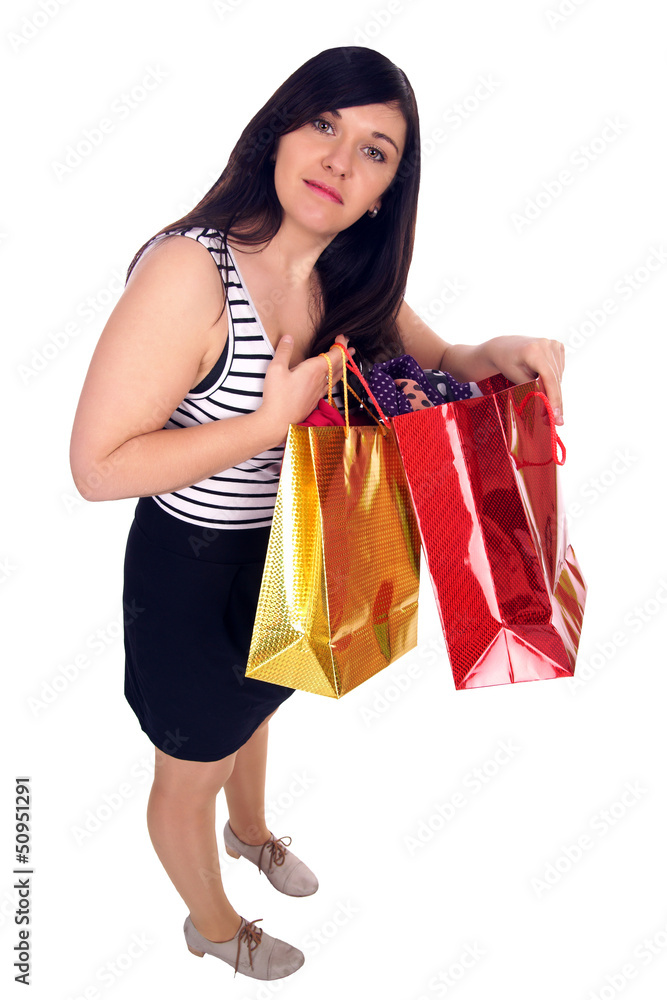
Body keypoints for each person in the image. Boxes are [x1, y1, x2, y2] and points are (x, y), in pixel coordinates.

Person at [69, 45, 565, 983]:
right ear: (278, 132)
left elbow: (446, 353)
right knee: (192, 763)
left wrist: (492, 351)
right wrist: (267, 419)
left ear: (384, 194)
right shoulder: (192, 273)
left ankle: (251, 833)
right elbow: (96, 468)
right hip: (190, 570)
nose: (341, 161)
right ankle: (212, 925)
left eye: (375, 152)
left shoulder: (342, 270)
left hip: (293, 547)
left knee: (261, 705)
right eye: (326, 125)